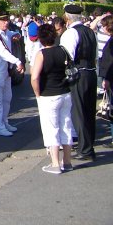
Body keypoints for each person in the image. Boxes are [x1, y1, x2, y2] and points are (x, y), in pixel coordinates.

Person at [30, 24, 74, 174]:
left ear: (41, 39)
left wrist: (37, 93)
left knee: (51, 129)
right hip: (65, 92)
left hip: (49, 94)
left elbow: (34, 77)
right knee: (66, 126)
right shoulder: (63, 50)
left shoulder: (41, 54)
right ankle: (67, 161)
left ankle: (55, 164)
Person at [60, 4, 98, 161]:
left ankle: (85, 149)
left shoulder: (70, 33)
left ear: (67, 18)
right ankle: (89, 145)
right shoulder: (90, 31)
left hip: (79, 74)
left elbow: (67, 56)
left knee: (79, 112)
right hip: (91, 73)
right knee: (89, 112)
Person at [0, 14, 24, 136]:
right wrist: (17, 61)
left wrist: (16, 34)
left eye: (6, 20)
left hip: (6, 71)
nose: (6, 22)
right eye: (2, 20)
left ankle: (4, 121)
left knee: (7, 98)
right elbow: (2, 52)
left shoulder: (5, 32)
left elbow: (11, 34)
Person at [97, 15, 113, 148]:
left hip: (111, 78)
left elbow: (108, 62)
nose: (102, 28)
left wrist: (106, 79)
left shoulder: (111, 42)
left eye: (104, 25)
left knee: (112, 109)